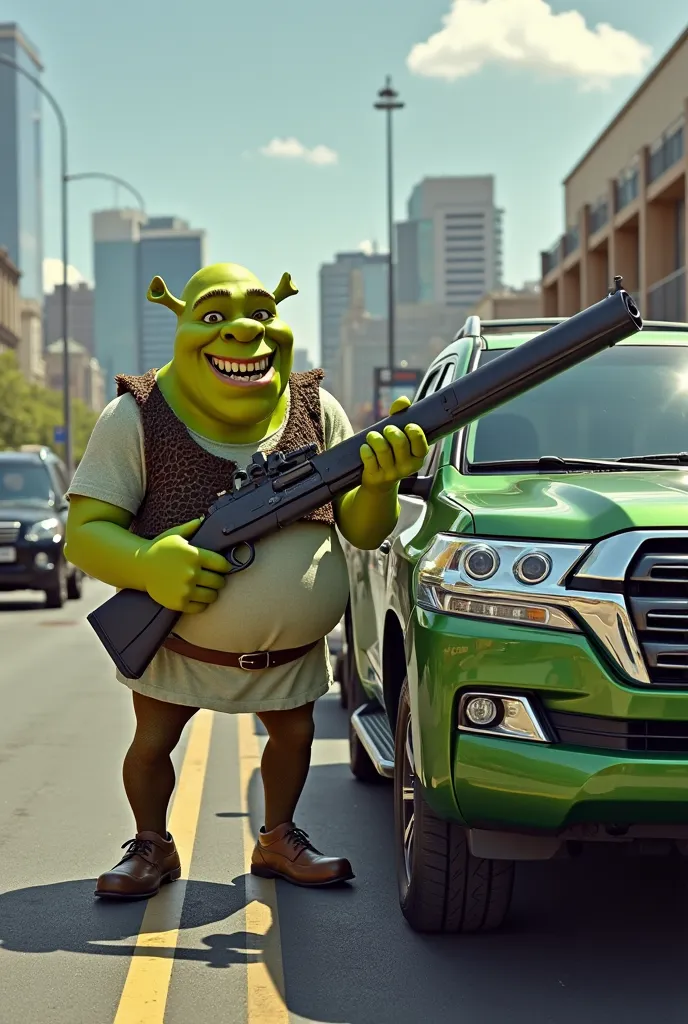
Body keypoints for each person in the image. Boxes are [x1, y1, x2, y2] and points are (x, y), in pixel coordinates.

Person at [65, 262, 428, 899]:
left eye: (262, 314)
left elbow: (365, 531)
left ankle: (278, 837)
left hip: (287, 656)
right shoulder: (137, 415)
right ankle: (151, 844)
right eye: (214, 315)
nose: (241, 331)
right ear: (178, 320)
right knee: (153, 742)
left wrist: (381, 481)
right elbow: (86, 531)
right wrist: (149, 564)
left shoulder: (319, 410)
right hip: (175, 644)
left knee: (293, 734)